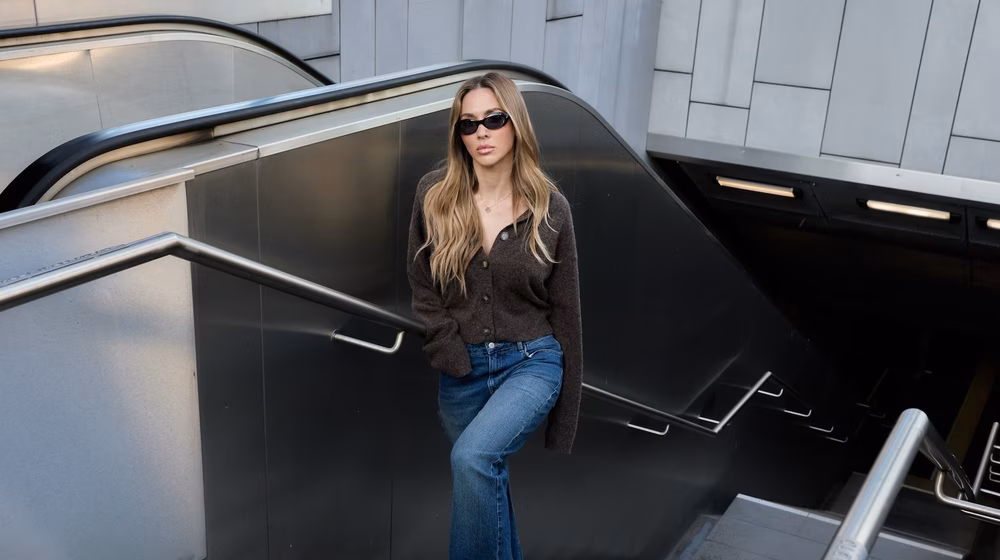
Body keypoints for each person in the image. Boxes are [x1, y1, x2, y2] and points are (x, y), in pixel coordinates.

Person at [406, 72, 584, 560]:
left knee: (473, 459)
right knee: (487, 482)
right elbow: (422, 285)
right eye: (469, 124)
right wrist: (449, 352)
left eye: (494, 119)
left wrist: (564, 418)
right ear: (458, 134)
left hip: (532, 361)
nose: (481, 132)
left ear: (515, 125)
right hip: (461, 371)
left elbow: (567, 312)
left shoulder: (552, 210)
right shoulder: (434, 195)